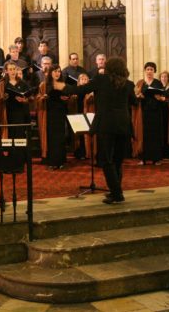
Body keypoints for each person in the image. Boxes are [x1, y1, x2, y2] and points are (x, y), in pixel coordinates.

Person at [55, 57, 136, 204]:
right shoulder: (129, 84)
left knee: (106, 159)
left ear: (109, 68)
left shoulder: (101, 80)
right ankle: (116, 191)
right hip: (123, 125)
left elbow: (79, 90)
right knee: (117, 160)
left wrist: (60, 86)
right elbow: (134, 102)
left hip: (106, 124)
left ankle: (117, 194)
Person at [0, 61, 32, 173]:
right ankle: (6, 166)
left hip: (20, 115)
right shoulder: (2, 84)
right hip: (7, 116)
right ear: (6, 71)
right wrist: (3, 98)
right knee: (7, 139)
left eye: (14, 69)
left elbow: (30, 97)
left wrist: (25, 100)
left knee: (18, 138)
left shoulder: (22, 83)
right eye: (10, 69)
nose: (12, 71)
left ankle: (18, 166)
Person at [132, 62, 167, 166]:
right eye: (147, 69)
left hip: (155, 112)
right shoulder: (140, 83)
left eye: (151, 69)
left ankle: (156, 159)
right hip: (143, 111)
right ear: (145, 71)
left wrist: (160, 98)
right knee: (143, 135)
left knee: (155, 134)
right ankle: (143, 158)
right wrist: (139, 96)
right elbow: (135, 95)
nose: (149, 71)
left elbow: (163, 96)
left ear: (154, 71)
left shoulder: (158, 83)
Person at [38, 65, 69, 170]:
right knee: (52, 138)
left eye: (59, 71)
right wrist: (43, 98)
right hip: (50, 114)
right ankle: (52, 162)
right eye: (55, 71)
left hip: (60, 114)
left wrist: (66, 98)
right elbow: (38, 98)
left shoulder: (62, 84)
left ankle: (60, 161)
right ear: (51, 72)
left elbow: (67, 98)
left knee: (60, 138)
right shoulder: (45, 85)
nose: (57, 73)